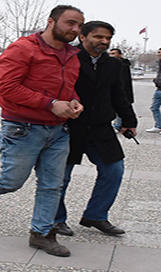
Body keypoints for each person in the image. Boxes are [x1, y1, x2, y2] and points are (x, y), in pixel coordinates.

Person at [0, 5, 85, 257]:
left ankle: (42, 234)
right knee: (11, 181)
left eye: (79, 25)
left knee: (52, 186)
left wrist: (73, 101)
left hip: (58, 130)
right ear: (51, 21)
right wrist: (50, 104)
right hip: (22, 128)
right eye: (70, 23)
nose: (75, 30)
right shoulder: (23, 48)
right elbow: (7, 87)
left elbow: (67, 88)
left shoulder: (72, 54)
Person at [54, 21, 137, 237]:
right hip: (69, 127)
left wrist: (129, 121)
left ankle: (96, 215)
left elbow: (119, 94)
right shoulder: (68, 58)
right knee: (60, 177)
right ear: (82, 37)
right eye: (98, 36)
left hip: (100, 128)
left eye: (108, 38)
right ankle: (56, 219)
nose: (104, 41)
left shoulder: (113, 64)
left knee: (114, 170)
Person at [109, 48, 134, 131]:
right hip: (121, 91)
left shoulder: (122, 66)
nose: (111, 55)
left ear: (119, 55)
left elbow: (123, 81)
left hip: (123, 92)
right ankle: (117, 124)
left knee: (120, 108)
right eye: (110, 53)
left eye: (113, 53)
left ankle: (118, 125)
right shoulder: (114, 65)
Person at [146, 48, 161, 133]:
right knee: (154, 108)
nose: (159, 54)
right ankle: (158, 126)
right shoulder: (159, 63)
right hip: (158, 89)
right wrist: (155, 81)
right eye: (158, 52)